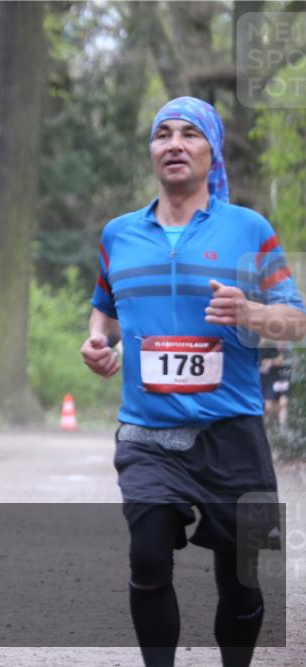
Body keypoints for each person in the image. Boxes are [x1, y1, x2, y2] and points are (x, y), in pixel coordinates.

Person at [80, 97, 306, 667]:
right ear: (152, 151)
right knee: (149, 560)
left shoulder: (248, 229)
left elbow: (297, 321)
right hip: (148, 434)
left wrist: (252, 314)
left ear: (212, 151)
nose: (174, 144)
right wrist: (97, 344)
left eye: (189, 134)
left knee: (243, 576)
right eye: (163, 134)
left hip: (233, 431)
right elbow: (104, 305)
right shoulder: (119, 234)